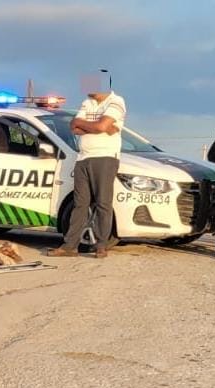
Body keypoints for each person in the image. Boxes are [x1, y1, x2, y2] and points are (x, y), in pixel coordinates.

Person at [51, 72, 126, 259]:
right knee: (80, 203)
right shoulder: (87, 102)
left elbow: (96, 126)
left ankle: (101, 246)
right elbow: (74, 127)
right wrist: (100, 125)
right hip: (83, 158)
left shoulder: (116, 101)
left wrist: (90, 125)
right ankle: (70, 246)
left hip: (105, 158)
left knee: (103, 203)